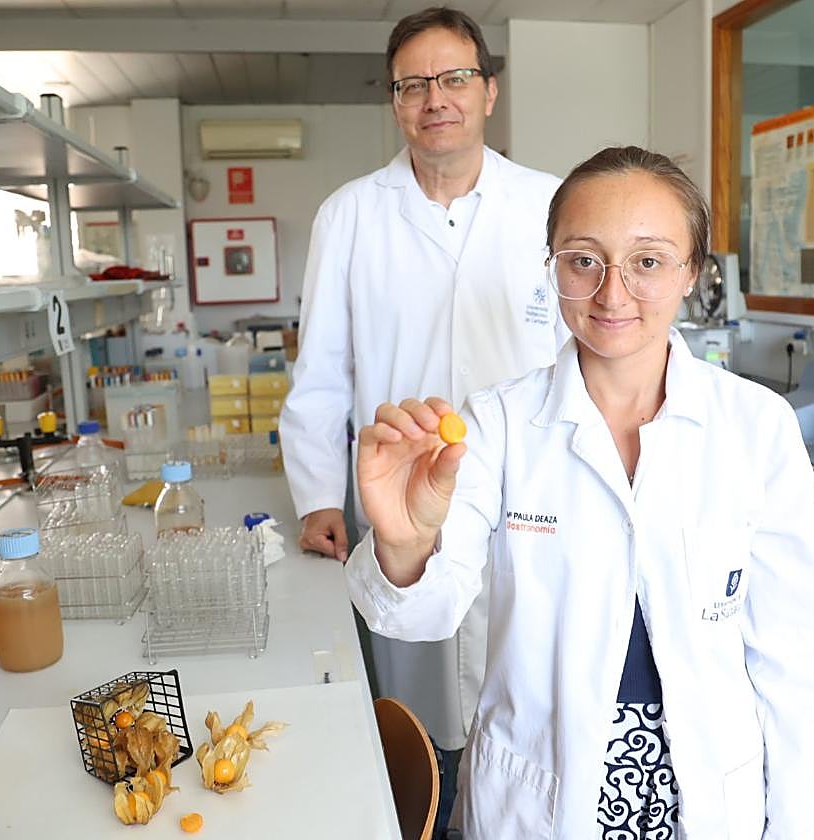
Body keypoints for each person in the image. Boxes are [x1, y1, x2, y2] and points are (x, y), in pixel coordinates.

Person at [345, 146, 814, 839]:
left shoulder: (754, 426)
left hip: (706, 794)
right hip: (541, 797)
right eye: (583, 259)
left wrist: (790, 826)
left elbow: (805, 654)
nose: (612, 293)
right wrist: (406, 545)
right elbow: (422, 617)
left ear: (691, 274)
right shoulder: (496, 423)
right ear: (552, 267)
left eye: (647, 261)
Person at [278, 5, 566, 821]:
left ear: (488, 92)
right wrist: (318, 499)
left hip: (527, 499)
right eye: (413, 85)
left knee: (526, 715)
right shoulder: (351, 214)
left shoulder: (549, 206)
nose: (435, 98)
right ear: (395, 101)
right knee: (420, 706)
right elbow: (322, 373)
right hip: (402, 503)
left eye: (453, 79)